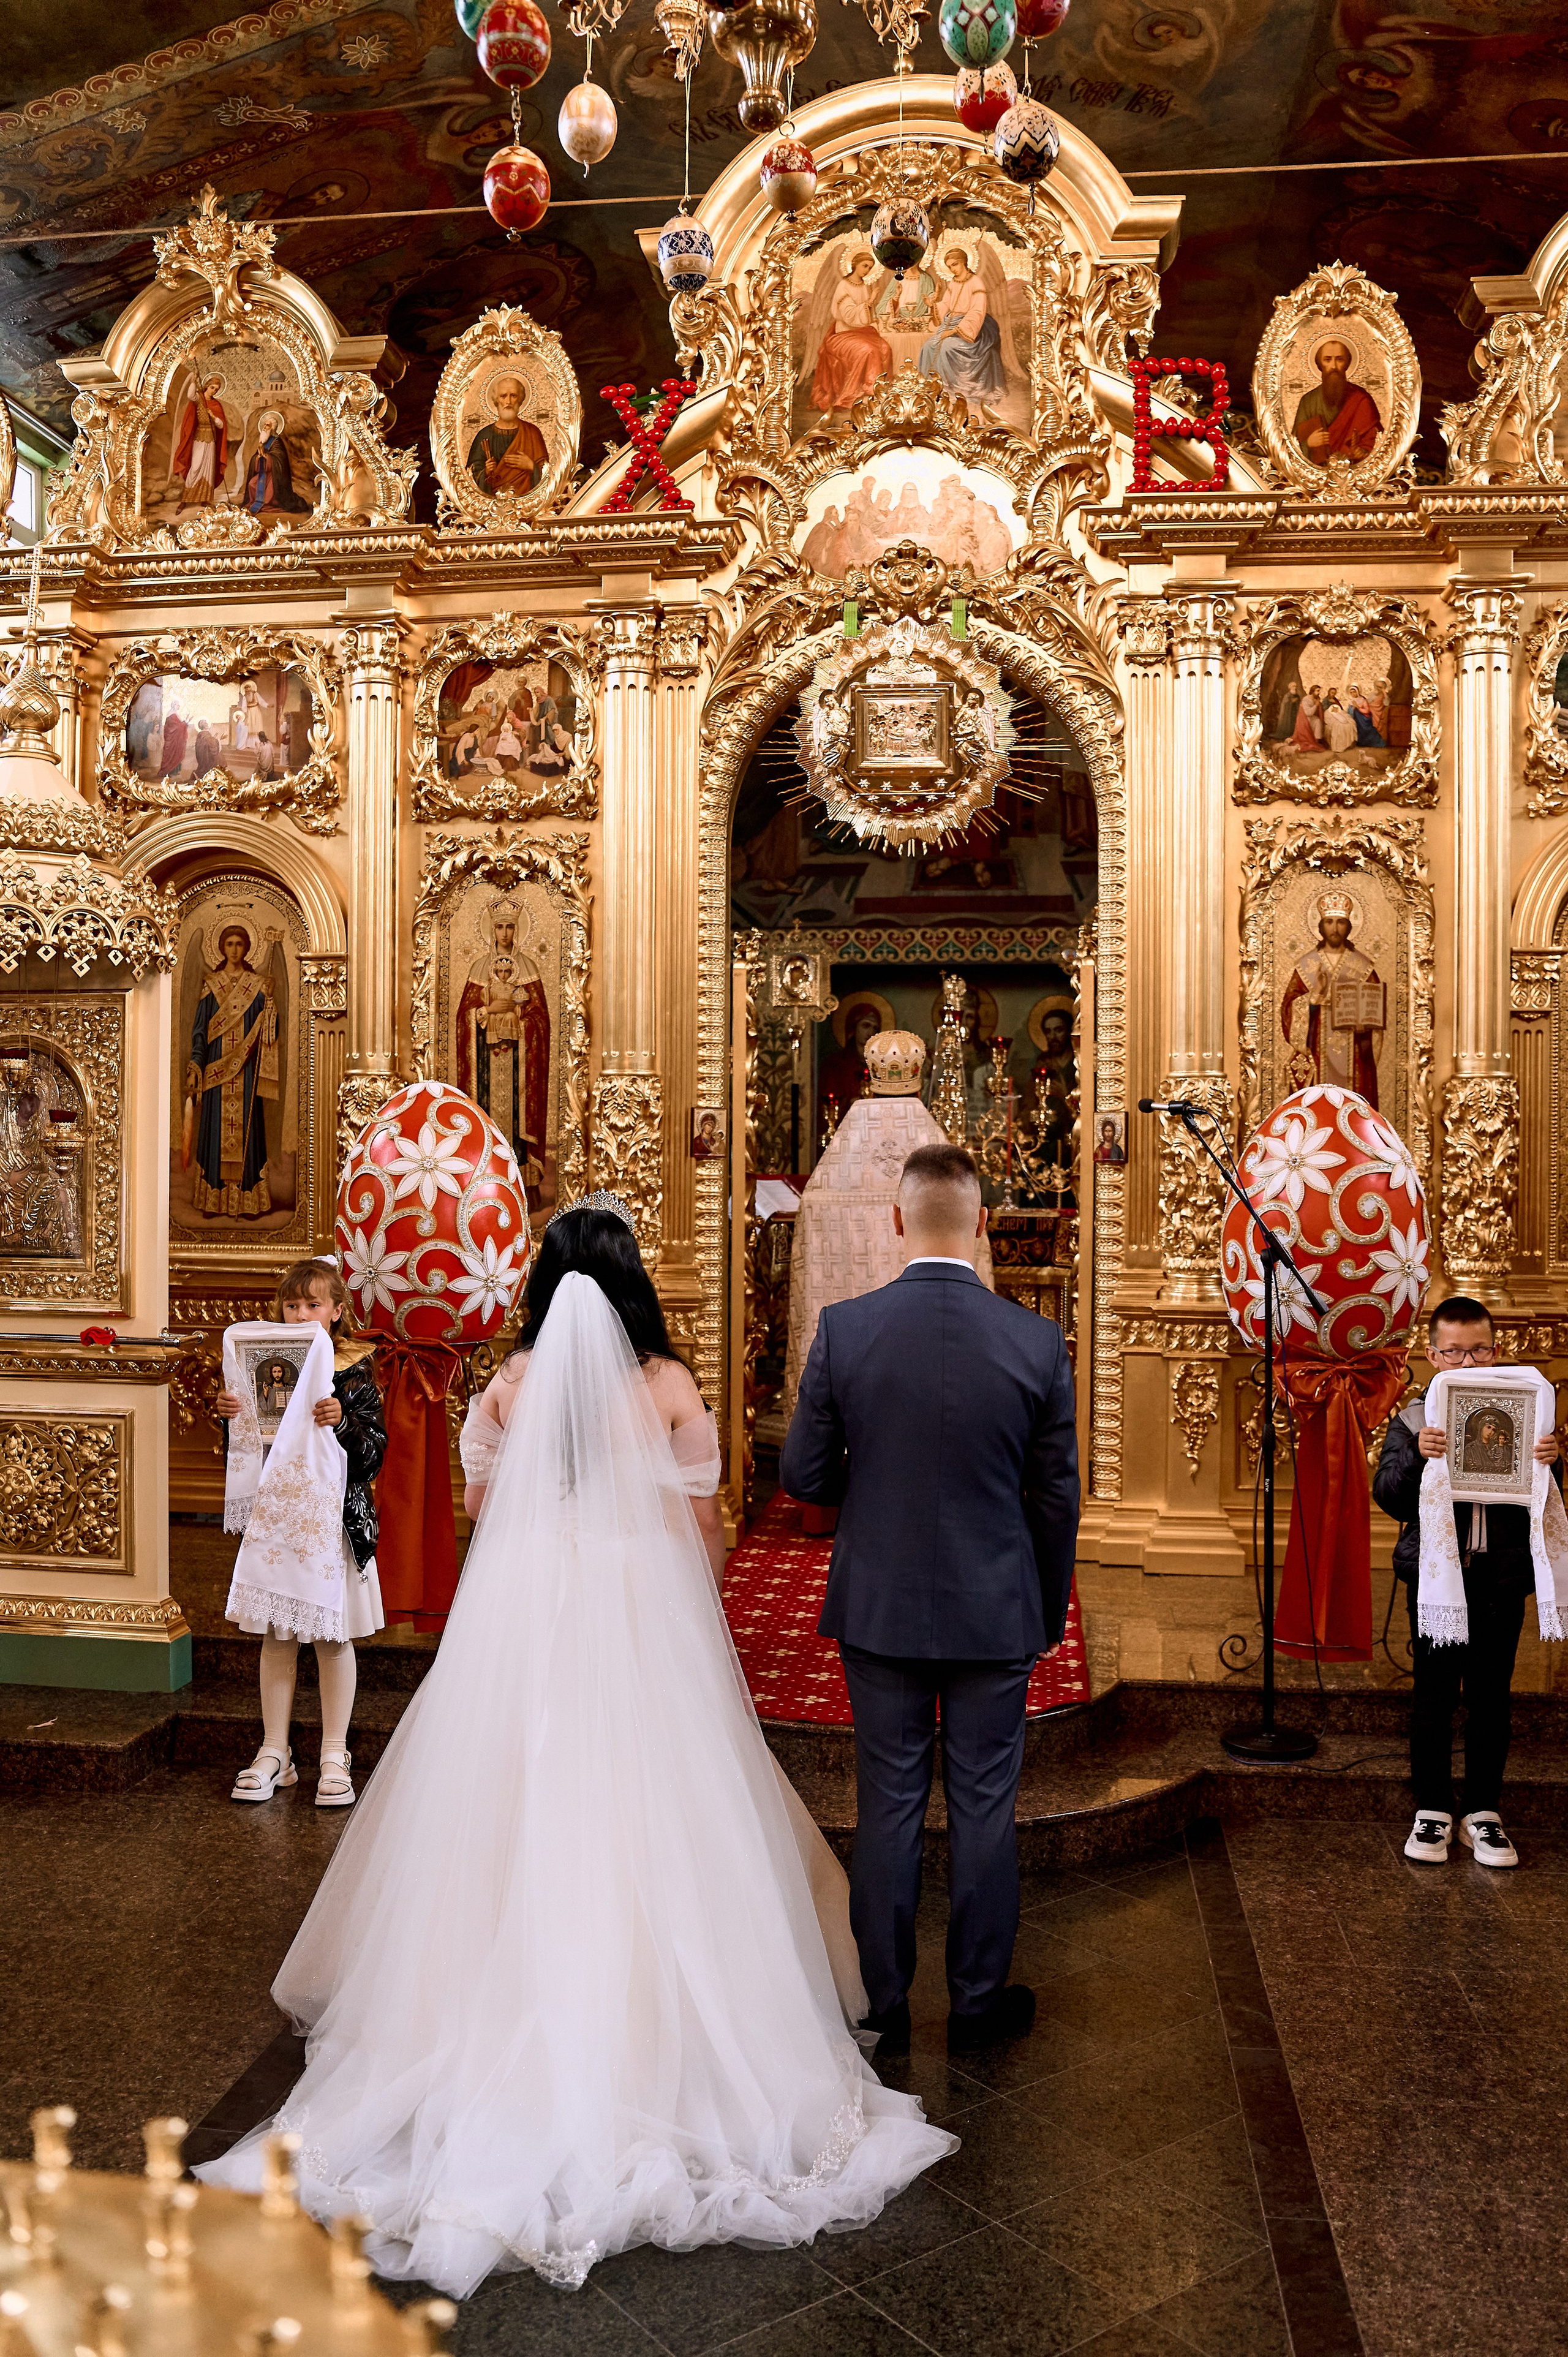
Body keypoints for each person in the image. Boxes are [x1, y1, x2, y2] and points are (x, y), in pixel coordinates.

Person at [195, 1196, 953, 2294]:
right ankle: (667, 2044)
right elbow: (702, 1528)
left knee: (510, 1803)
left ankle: (478, 2026)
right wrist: (688, 1624)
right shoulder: (669, 1388)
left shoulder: (511, 1384)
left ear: (544, 1285)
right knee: (655, 1814)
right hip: (637, 1611)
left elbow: (482, 1505)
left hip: (534, 1615)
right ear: (633, 1279)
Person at [781, 1143, 1080, 2054]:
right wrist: (1043, 1606)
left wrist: (872, 1478)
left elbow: (801, 1476)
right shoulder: (1033, 1339)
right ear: (983, 1223)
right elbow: (1058, 1495)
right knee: (987, 1804)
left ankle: (883, 2001)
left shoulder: (847, 1328)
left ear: (897, 1220)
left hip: (881, 1605)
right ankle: (980, 2000)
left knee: (891, 1801)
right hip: (998, 1608)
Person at [1373, 1295, 1562, 1871]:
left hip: (1502, 1576)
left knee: (1491, 1696)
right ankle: (1432, 1806)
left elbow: (1556, 1500)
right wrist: (1419, 1459)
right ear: (1433, 1357)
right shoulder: (1412, 1418)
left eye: (1479, 1348)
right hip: (1436, 1580)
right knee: (1432, 1694)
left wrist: (1554, 1460)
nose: (1468, 1361)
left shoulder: (1531, 1412)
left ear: (1496, 1350)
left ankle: (1483, 1810)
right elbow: (1388, 1495)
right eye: (1453, 1352)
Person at [217, 1259, 387, 1811]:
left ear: (337, 1312)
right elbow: (251, 1448)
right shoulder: (265, 1362)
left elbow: (371, 1458)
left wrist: (341, 1420)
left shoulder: (354, 1372)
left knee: (331, 1636)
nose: (300, 1314)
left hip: (333, 1525)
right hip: (279, 1522)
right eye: (292, 1304)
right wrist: (231, 1416)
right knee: (278, 1635)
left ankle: (334, 1752)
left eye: (314, 1304)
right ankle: (275, 1752)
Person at [1291, 337, 1382, 465]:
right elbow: (1291, 447)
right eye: (1327, 360)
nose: (1334, 366)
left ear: (1347, 363)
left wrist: (1363, 452)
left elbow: (1377, 442)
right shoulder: (1308, 401)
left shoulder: (1362, 399)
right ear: (1320, 364)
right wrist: (1309, 443)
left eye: (1339, 359)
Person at [465, 375, 548, 497]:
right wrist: (486, 472)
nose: (508, 402)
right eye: (503, 396)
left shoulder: (532, 433)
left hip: (528, 502)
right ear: (496, 400)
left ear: (520, 399)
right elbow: (471, 476)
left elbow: (549, 476)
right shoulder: (484, 435)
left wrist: (531, 466)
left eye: (513, 396)